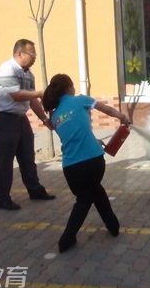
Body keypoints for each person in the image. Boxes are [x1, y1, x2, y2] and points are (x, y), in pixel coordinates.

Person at [42, 73, 131, 253]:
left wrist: (95, 141)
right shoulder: (81, 100)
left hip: (71, 169)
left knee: (94, 191)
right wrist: (122, 117)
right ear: (69, 88)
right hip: (93, 163)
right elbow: (106, 110)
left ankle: (113, 226)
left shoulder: (55, 116)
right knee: (86, 198)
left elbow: (74, 135)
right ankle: (66, 239)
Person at [0, 38, 56, 210]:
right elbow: (16, 95)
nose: (35, 57)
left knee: (28, 158)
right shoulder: (7, 68)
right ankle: (2, 198)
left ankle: (35, 190)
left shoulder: (29, 74)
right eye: (32, 53)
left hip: (21, 119)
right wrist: (40, 92)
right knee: (5, 161)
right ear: (20, 54)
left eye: (35, 54)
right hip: (5, 119)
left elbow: (32, 100)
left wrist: (44, 119)